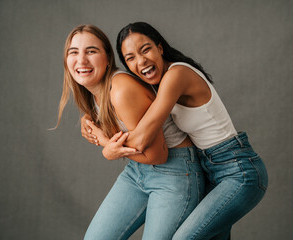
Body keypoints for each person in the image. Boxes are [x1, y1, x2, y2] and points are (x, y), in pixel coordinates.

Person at [111, 22, 268, 240]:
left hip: (238, 171)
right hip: (210, 171)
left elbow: (142, 137)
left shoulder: (177, 75)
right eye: (130, 58)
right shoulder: (159, 83)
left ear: (160, 48)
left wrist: (106, 144)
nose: (141, 61)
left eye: (145, 49)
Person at [56, 24, 204, 240]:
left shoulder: (121, 89)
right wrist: (88, 118)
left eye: (91, 51)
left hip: (175, 172)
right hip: (138, 171)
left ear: (108, 59)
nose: (81, 60)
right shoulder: (96, 92)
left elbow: (158, 156)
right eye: (73, 52)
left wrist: (107, 146)